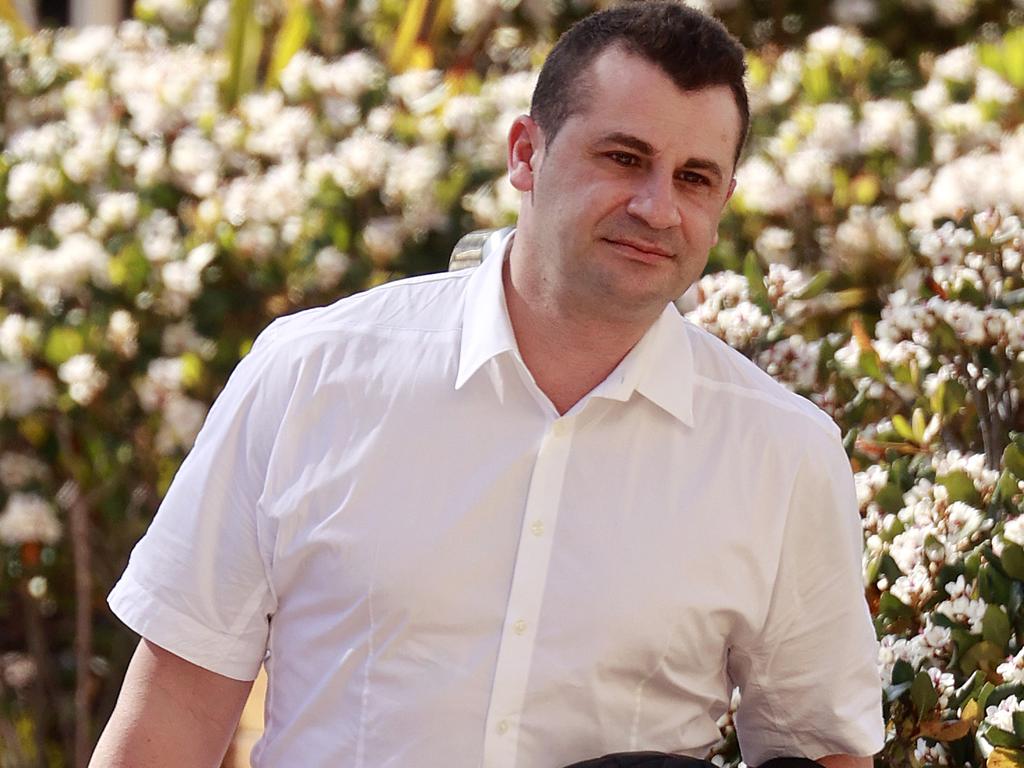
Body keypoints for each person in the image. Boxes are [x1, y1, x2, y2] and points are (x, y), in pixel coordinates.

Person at [91, 3, 884, 767]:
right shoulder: (311, 375)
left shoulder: (782, 454)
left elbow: (822, 750)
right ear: (524, 154)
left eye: (695, 178)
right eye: (625, 158)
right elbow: (177, 709)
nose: (657, 207)